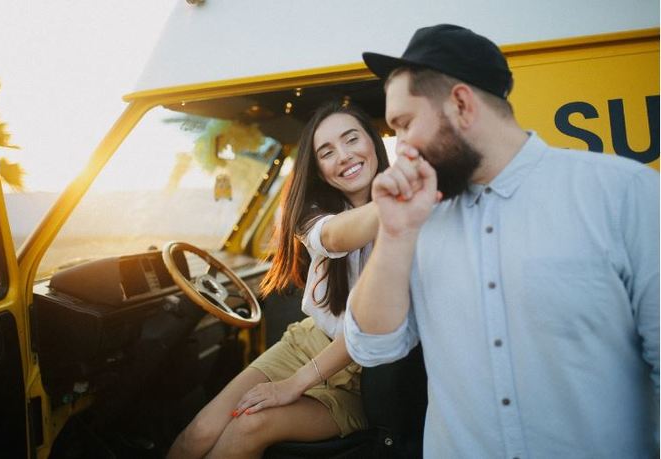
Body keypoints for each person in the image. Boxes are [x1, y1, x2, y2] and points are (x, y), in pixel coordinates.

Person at [344, 24, 659, 458]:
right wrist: (395, 234)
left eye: (404, 124)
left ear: (460, 104)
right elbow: (370, 346)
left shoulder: (626, 193)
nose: (400, 148)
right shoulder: (416, 218)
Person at [167, 101, 390, 458]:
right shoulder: (311, 209)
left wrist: (293, 387)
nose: (344, 156)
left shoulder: (410, 230)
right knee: (199, 432)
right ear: (318, 169)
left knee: (249, 426)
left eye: (352, 139)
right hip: (307, 343)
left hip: (365, 378)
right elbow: (333, 237)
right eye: (327, 152)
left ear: (373, 142)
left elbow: (365, 329)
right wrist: (399, 199)